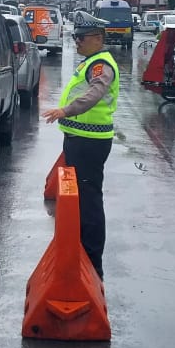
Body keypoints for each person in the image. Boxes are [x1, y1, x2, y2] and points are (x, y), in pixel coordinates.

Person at [41, 15, 118, 279]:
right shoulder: (89, 62)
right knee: (82, 201)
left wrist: (65, 110)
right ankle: (84, 254)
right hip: (79, 139)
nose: (76, 42)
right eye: (75, 37)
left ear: (98, 38)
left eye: (81, 38)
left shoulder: (101, 66)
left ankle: (93, 264)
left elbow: (93, 95)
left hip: (90, 143)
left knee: (89, 203)